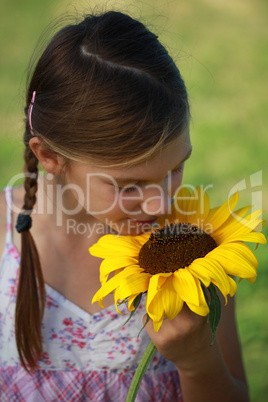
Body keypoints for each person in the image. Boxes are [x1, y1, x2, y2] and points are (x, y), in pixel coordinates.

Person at [0, 10, 249, 401]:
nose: (162, 202)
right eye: (129, 185)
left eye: (176, 168)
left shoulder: (196, 247)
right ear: (48, 156)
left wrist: (198, 362)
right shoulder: (4, 242)